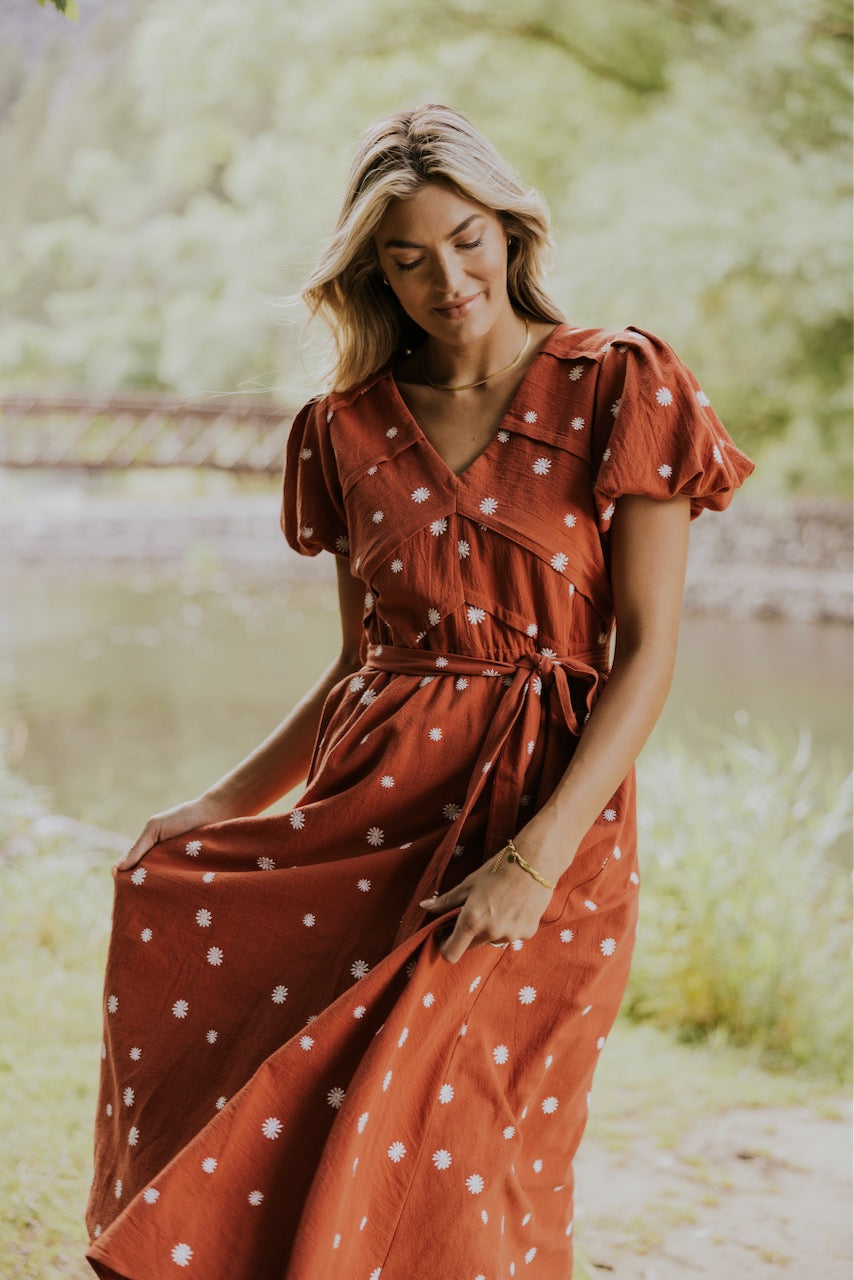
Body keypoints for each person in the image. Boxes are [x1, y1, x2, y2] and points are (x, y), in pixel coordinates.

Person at [85, 103, 754, 1279]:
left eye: (465, 239)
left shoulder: (619, 381)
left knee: (485, 1138)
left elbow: (645, 649)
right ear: (371, 274)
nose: (445, 277)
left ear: (508, 229)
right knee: (343, 1123)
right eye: (406, 257)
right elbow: (359, 664)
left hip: (546, 821)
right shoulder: (343, 428)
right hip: (370, 810)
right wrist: (220, 804)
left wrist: (535, 858)